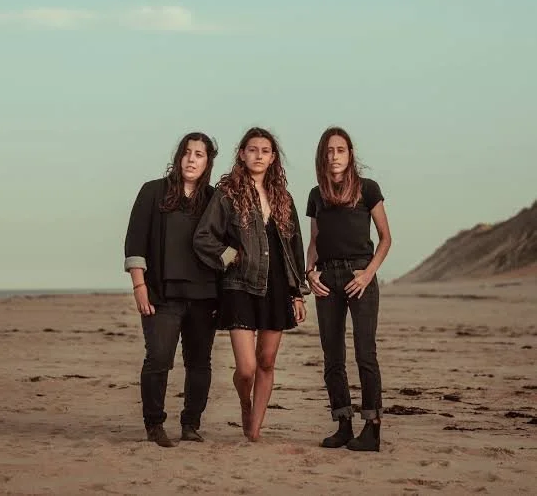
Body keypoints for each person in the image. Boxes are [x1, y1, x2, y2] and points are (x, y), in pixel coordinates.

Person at [193, 127, 309, 442]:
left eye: (265, 150)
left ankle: (255, 428)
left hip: (277, 287)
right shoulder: (227, 193)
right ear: (242, 154)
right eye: (253, 149)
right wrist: (231, 256)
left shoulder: (284, 198)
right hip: (239, 285)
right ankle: (245, 402)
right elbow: (203, 237)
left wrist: (297, 293)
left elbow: (294, 249)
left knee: (266, 362)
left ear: (273, 158)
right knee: (246, 368)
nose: (259, 155)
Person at [124, 132, 219, 448]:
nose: (192, 159)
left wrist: (231, 264)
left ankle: (191, 423)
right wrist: (139, 284)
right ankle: (154, 424)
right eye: (187, 152)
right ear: (179, 157)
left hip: (205, 296)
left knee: (200, 363)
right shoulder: (153, 192)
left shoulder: (215, 199)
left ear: (208, 162)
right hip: (162, 295)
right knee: (159, 358)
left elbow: (230, 245)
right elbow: (135, 240)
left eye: (200, 154)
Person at [305, 126, 391, 452]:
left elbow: (385, 238)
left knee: (365, 354)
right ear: (322, 156)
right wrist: (309, 271)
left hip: (359, 278)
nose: (334, 156)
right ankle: (343, 424)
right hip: (326, 279)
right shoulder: (316, 195)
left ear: (350, 154)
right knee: (332, 356)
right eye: (329, 151)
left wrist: (368, 274)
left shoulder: (368, 189)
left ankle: (372, 428)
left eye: (340, 150)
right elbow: (314, 241)